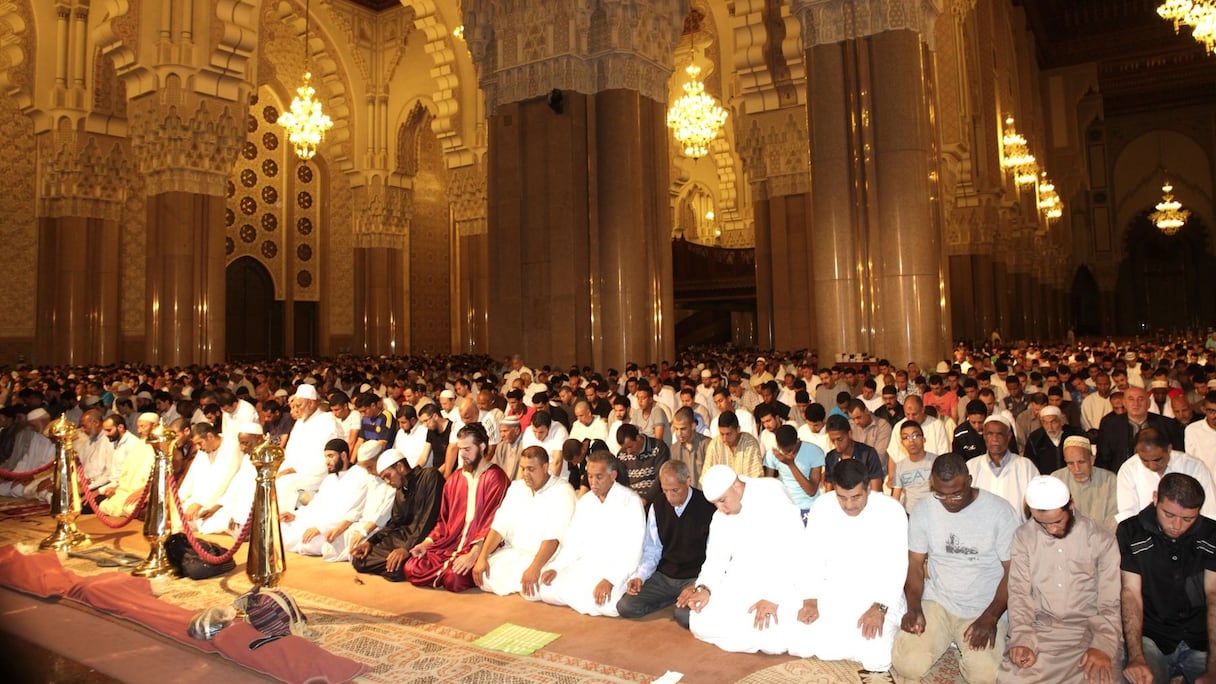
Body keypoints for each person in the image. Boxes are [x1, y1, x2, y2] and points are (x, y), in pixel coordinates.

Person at [891, 453, 1020, 683]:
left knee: (985, 676)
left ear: (969, 480)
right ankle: (946, 638)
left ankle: (965, 646)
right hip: (939, 601)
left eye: (957, 493)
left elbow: (1014, 572)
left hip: (983, 606)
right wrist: (913, 607)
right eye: (941, 494)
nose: (950, 500)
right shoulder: (924, 509)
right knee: (907, 664)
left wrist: (991, 617)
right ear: (933, 485)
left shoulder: (1000, 512)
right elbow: (915, 566)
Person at [787, 459, 908, 674]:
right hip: (834, 590)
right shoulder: (823, 506)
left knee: (876, 660)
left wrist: (879, 607)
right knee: (799, 644)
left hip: (878, 594)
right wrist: (810, 600)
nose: (849, 505)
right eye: (842, 497)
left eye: (856, 497)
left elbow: (897, 565)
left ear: (869, 488)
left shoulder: (891, 510)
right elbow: (810, 557)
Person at [997, 476, 1122, 683]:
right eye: (1042, 524)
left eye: (1056, 522)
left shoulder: (1101, 538)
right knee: (1012, 679)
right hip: (1042, 631)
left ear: (1071, 505)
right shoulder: (1024, 537)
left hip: (1089, 631)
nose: (1051, 530)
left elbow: (1110, 603)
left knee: (1101, 678)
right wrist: (1022, 639)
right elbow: (1019, 594)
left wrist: (1102, 645)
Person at [680, 464, 805, 655]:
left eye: (722, 501)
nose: (721, 508)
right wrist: (705, 588)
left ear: (737, 486)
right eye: (715, 504)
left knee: (777, 640)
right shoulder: (721, 516)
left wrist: (774, 596)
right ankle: (750, 635)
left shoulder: (772, 493)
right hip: (741, 582)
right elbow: (715, 559)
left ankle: (752, 633)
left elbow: (795, 551)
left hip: (780, 581)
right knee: (698, 621)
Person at [1118, 473, 1216, 684]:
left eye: (1188, 519)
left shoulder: (1211, 534)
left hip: (1201, 638)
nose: (1177, 526)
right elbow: (1130, 594)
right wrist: (1136, 658)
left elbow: (1213, 595)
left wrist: (1213, 666)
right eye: (1169, 514)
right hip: (1152, 635)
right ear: (1155, 499)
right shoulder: (1130, 532)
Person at [403, 423, 510, 592]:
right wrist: (425, 543)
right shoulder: (455, 478)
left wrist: (474, 555)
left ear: (482, 447)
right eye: (460, 449)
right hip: (450, 544)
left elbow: (493, 523)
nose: (462, 454)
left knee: (454, 579)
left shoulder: (496, 478)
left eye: (467, 449)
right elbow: (443, 521)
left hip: (481, 548)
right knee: (411, 566)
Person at [537, 451, 645, 616]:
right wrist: (556, 567)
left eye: (599, 477)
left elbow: (633, 550)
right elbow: (573, 542)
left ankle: (589, 596)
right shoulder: (585, 501)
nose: (593, 482)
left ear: (613, 475)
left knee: (610, 605)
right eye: (590, 476)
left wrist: (610, 580)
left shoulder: (630, 501)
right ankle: (584, 597)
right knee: (545, 588)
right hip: (586, 565)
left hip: (616, 567)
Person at [617, 459, 715, 628]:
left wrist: (698, 584)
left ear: (688, 481)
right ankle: (673, 598)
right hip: (665, 576)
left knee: (684, 616)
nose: (670, 496)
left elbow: (714, 556)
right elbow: (653, 549)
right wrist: (640, 576)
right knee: (625, 607)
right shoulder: (658, 505)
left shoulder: (707, 507)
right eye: (665, 490)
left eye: (675, 490)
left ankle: (679, 600)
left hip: (694, 576)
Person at [473, 446, 576, 597]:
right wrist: (482, 557)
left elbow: (554, 538)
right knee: (483, 575)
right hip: (515, 555)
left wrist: (534, 568)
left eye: (531, 469)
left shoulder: (562, 491)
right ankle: (523, 582)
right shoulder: (516, 488)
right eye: (523, 469)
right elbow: (499, 526)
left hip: (546, 559)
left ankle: (529, 580)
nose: (526, 474)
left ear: (545, 467)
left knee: (541, 588)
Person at [350, 448, 443, 581]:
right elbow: (394, 524)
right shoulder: (400, 491)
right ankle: (393, 565)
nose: (387, 482)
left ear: (400, 467)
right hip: (403, 538)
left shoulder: (430, 476)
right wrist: (370, 542)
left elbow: (428, 520)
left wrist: (406, 548)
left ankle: (396, 565)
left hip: (425, 540)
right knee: (359, 560)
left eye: (388, 476)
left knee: (401, 567)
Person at [280, 438, 371, 556]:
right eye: (326, 457)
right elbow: (315, 504)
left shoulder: (359, 475)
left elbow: (351, 512)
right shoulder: (330, 479)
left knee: (309, 544)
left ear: (343, 455)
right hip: (318, 521)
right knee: (282, 526)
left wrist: (321, 528)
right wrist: (295, 515)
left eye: (331, 456)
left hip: (338, 527)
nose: (327, 461)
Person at [1116, 427, 1216, 523]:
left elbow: (1210, 511)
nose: (1152, 466)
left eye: (1157, 460)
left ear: (1169, 449)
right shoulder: (1129, 469)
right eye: (1145, 460)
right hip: (1145, 534)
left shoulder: (1194, 466)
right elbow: (1127, 514)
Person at [278, 384, 344, 510]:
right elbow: (291, 451)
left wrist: (293, 469)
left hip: (316, 471)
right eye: (295, 406)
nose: (296, 410)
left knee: (285, 483)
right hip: (294, 468)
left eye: (299, 405)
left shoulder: (327, 421)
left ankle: (283, 523)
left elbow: (324, 457)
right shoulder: (300, 422)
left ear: (312, 403)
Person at [966, 415, 1040, 522]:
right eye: (990, 434)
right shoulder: (971, 466)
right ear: (984, 436)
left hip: (1016, 533)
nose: (994, 439)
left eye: (999, 434)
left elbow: (1036, 503)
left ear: (1009, 437)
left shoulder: (1025, 466)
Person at [1096, 386, 1185, 472]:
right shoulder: (1110, 425)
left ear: (1149, 403)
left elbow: (1177, 456)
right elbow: (1103, 459)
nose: (1136, 404)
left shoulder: (1167, 425)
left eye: (1141, 399)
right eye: (1131, 399)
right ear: (1124, 403)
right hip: (1121, 476)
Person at [1052, 435, 1118, 532]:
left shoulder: (1109, 480)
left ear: (1092, 459)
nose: (1077, 469)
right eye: (1070, 463)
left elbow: (1113, 519)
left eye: (1081, 462)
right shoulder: (1056, 480)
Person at [762, 424, 824, 521]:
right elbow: (768, 485)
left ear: (797, 441)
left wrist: (791, 465)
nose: (787, 454)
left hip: (808, 506)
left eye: (790, 450)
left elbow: (811, 491)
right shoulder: (773, 453)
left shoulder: (815, 452)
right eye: (783, 450)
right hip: (785, 506)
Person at [700, 411, 763, 488]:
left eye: (728, 434)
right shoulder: (715, 445)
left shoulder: (750, 443)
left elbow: (754, 477)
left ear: (738, 430)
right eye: (722, 434)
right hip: (721, 495)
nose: (724, 438)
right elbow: (706, 478)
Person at [822, 414, 883, 492]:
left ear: (850, 434)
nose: (836, 444)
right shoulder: (831, 458)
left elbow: (876, 491)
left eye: (840, 439)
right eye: (833, 440)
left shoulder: (868, 454)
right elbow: (829, 492)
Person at [614, 423, 670, 506]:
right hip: (632, 501)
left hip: (655, 500)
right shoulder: (622, 455)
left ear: (638, 438)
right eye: (624, 448)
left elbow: (660, 478)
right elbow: (622, 482)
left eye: (630, 447)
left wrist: (645, 499)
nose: (628, 452)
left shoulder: (658, 448)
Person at [890, 419, 937, 512]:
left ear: (923, 439)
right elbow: (896, 496)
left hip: (933, 512)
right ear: (902, 443)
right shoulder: (899, 466)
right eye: (905, 437)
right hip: (910, 513)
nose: (911, 441)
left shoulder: (937, 461)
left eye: (915, 436)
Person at [1021, 405, 1083, 475]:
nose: (1050, 427)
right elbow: (1030, 464)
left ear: (1061, 421)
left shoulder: (1075, 434)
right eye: (1045, 423)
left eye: (1053, 422)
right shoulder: (1035, 439)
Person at [670, 407, 709, 486]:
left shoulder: (707, 445)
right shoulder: (674, 449)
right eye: (676, 429)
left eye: (683, 429)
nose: (679, 433)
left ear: (693, 426)